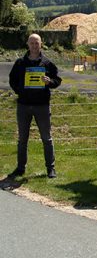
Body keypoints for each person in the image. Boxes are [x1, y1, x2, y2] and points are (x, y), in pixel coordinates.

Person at [8, 33, 62, 179]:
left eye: (36, 43)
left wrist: (49, 81)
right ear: (28, 44)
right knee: (22, 139)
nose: (34, 45)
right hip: (23, 106)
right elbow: (12, 80)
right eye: (31, 43)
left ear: (41, 44)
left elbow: (58, 80)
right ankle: (20, 168)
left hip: (42, 106)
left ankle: (51, 169)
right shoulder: (20, 63)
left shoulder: (47, 63)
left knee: (46, 138)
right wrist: (20, 91)